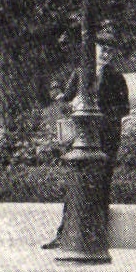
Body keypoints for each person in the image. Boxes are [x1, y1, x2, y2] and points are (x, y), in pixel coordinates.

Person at [42, 24, 131, 250]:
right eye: (102, 47)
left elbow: (124, 109)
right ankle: (63, 235)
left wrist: (97, 113)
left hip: (105, 142)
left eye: (110, 49)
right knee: (74, 186)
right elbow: (65, 102)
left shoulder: (117, 78)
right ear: (93, 49)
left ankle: (96, 237)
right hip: (81, 141)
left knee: (101, 188)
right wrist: (66, 101)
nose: (105, 53)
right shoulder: (81, 73)